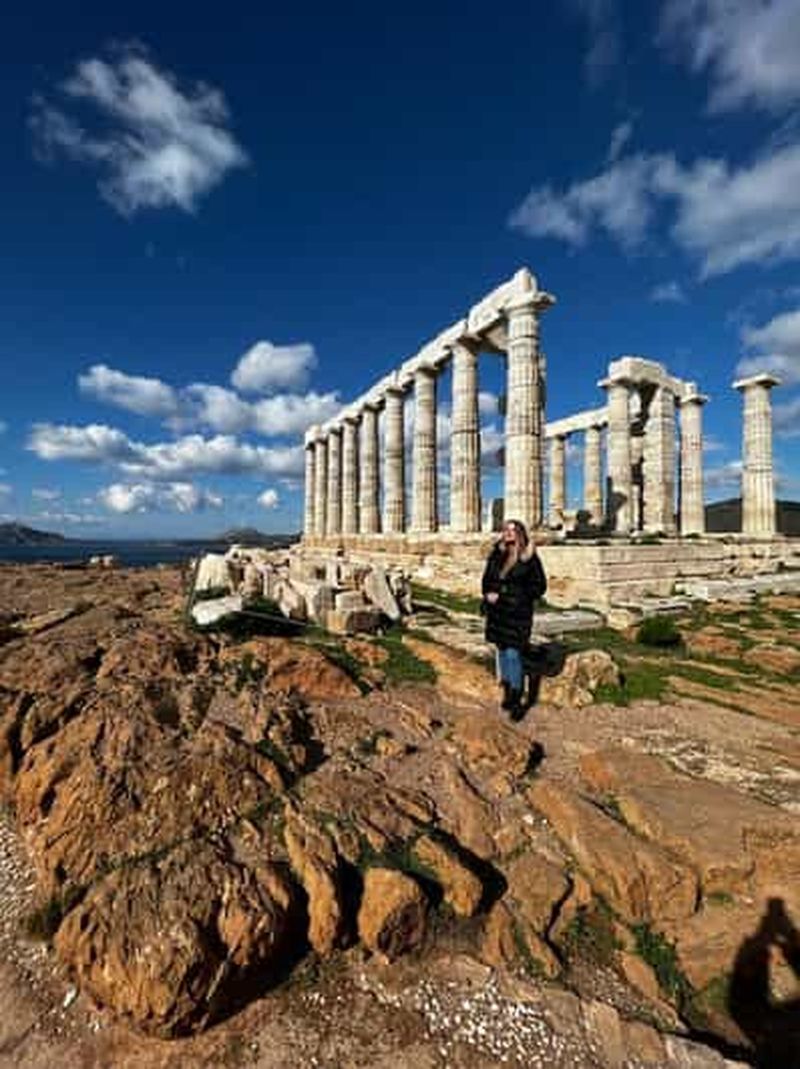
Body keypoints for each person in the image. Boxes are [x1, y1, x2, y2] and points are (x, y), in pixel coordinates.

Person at [481, 519, 547, 719]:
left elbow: (539, 586)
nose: (509, 533)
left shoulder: (529, 558)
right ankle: (508, 693)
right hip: (497, 612)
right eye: (506, 530)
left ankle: (518, 699)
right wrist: (488, 593)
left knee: (513, 653)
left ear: (520, 533)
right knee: (502, 651)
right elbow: (486, 579)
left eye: (513, 529)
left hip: (517, 613)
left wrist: (511, 595)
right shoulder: (496, 554)